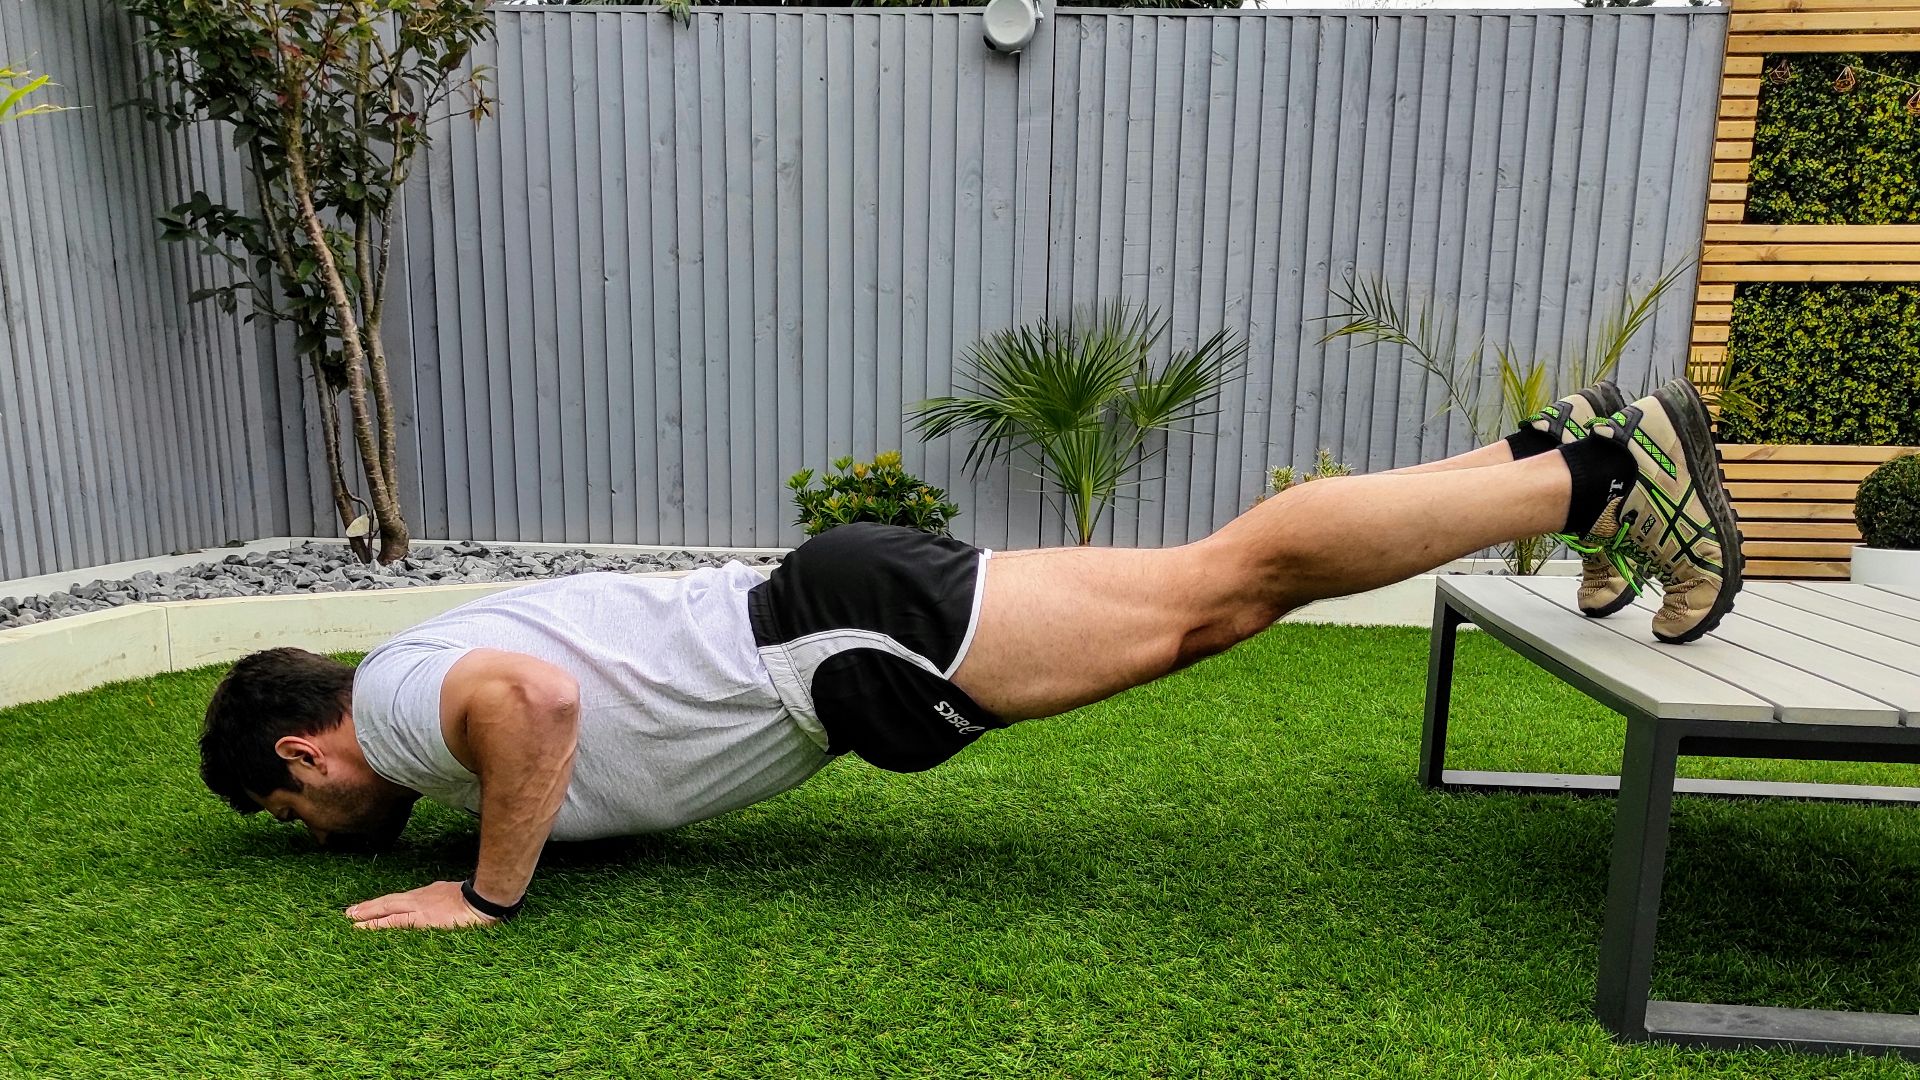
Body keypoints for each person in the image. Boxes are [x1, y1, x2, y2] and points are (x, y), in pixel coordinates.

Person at [199, 377, 1741, 931]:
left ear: (302, 752)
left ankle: (1603, 482)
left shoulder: (401, 707)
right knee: (1224, 594)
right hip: (836, 622)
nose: (322, 829)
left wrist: (486, 893)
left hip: (834, 636)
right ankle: (1550, 452)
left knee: (1223, 589)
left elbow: (532, 705)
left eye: (294, 813)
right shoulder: (416, 665)